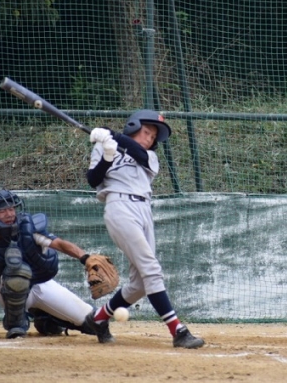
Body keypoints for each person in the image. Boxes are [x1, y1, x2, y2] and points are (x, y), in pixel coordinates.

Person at [84, 110, 205, 349]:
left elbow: (136, 152)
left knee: (139, 284)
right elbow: (93, 179)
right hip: (119, 207)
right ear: (133, 126)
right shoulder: (103, 146)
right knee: (151, 269)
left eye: (153, 137)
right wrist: (107, 154)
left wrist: (112, 135)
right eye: (146, 132)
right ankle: (177, 330)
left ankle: (98, 318)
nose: (149, 139)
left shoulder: (149, 157)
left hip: (144, 210)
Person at [0, 189, 105, 339]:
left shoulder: (28, 229)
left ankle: (47, 319)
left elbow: (60, 244)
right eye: (2, 211)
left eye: (11, 208)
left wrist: (85, 258)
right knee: (16, 273)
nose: (10, 214)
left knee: (94, 321)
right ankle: (16, 324)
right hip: (7, 290)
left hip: (41, 285)